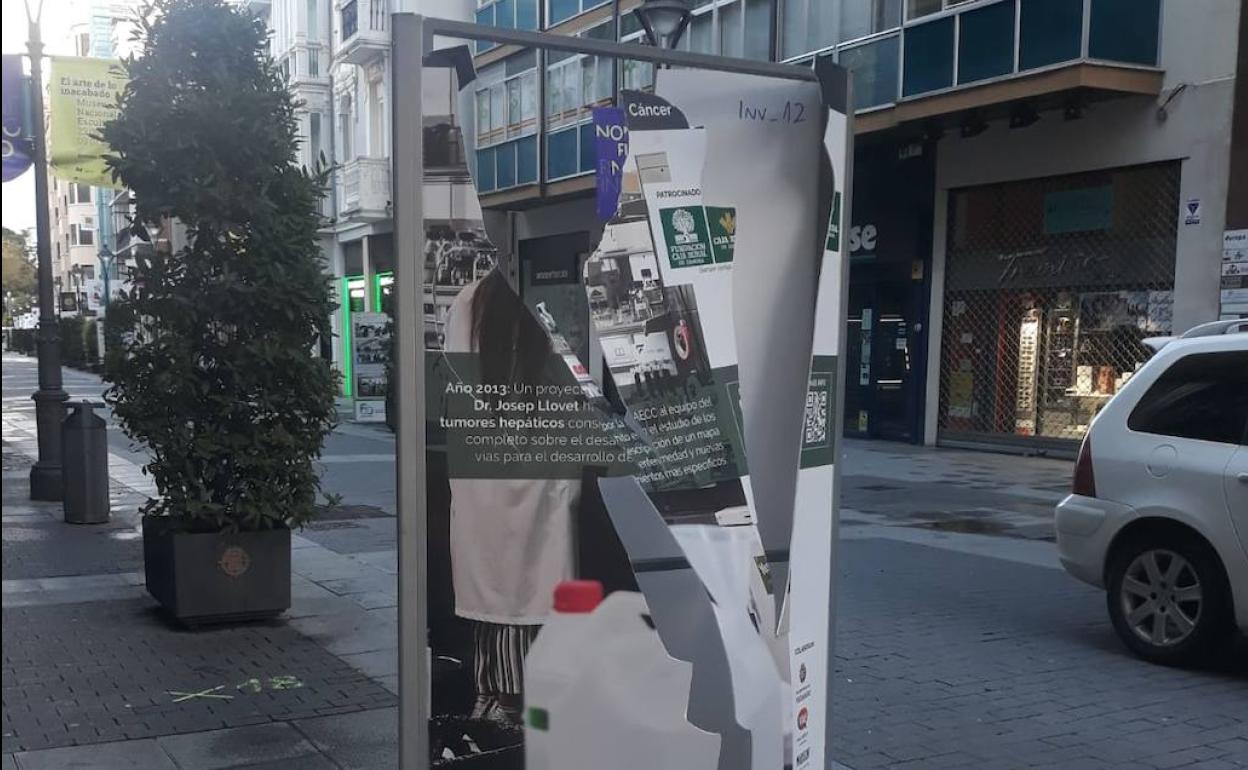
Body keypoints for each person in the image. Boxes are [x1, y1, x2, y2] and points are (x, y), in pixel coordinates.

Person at [443, 268, 581, 726]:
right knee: (534, 595)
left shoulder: (469, 301)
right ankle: (521, 705)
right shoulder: (555, 300)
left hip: (483, 477)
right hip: (541, 476)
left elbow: (453, 388)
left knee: (491, 595)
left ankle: (492, 698)